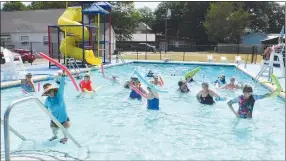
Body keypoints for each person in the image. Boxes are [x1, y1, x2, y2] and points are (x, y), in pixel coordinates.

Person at [42, 72, 70, 144]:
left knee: (65, 129)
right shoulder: (47, 100)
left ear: (54, 91)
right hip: (54, 119)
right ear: (46, 93)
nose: (51, 93)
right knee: (53, 129)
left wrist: (63, 76)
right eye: (48, 92)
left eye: (51, 91)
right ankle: (55, 136)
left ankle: (65, 138)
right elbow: (45, 108)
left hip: (64, 118)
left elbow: (62, 86)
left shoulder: (59, 95)